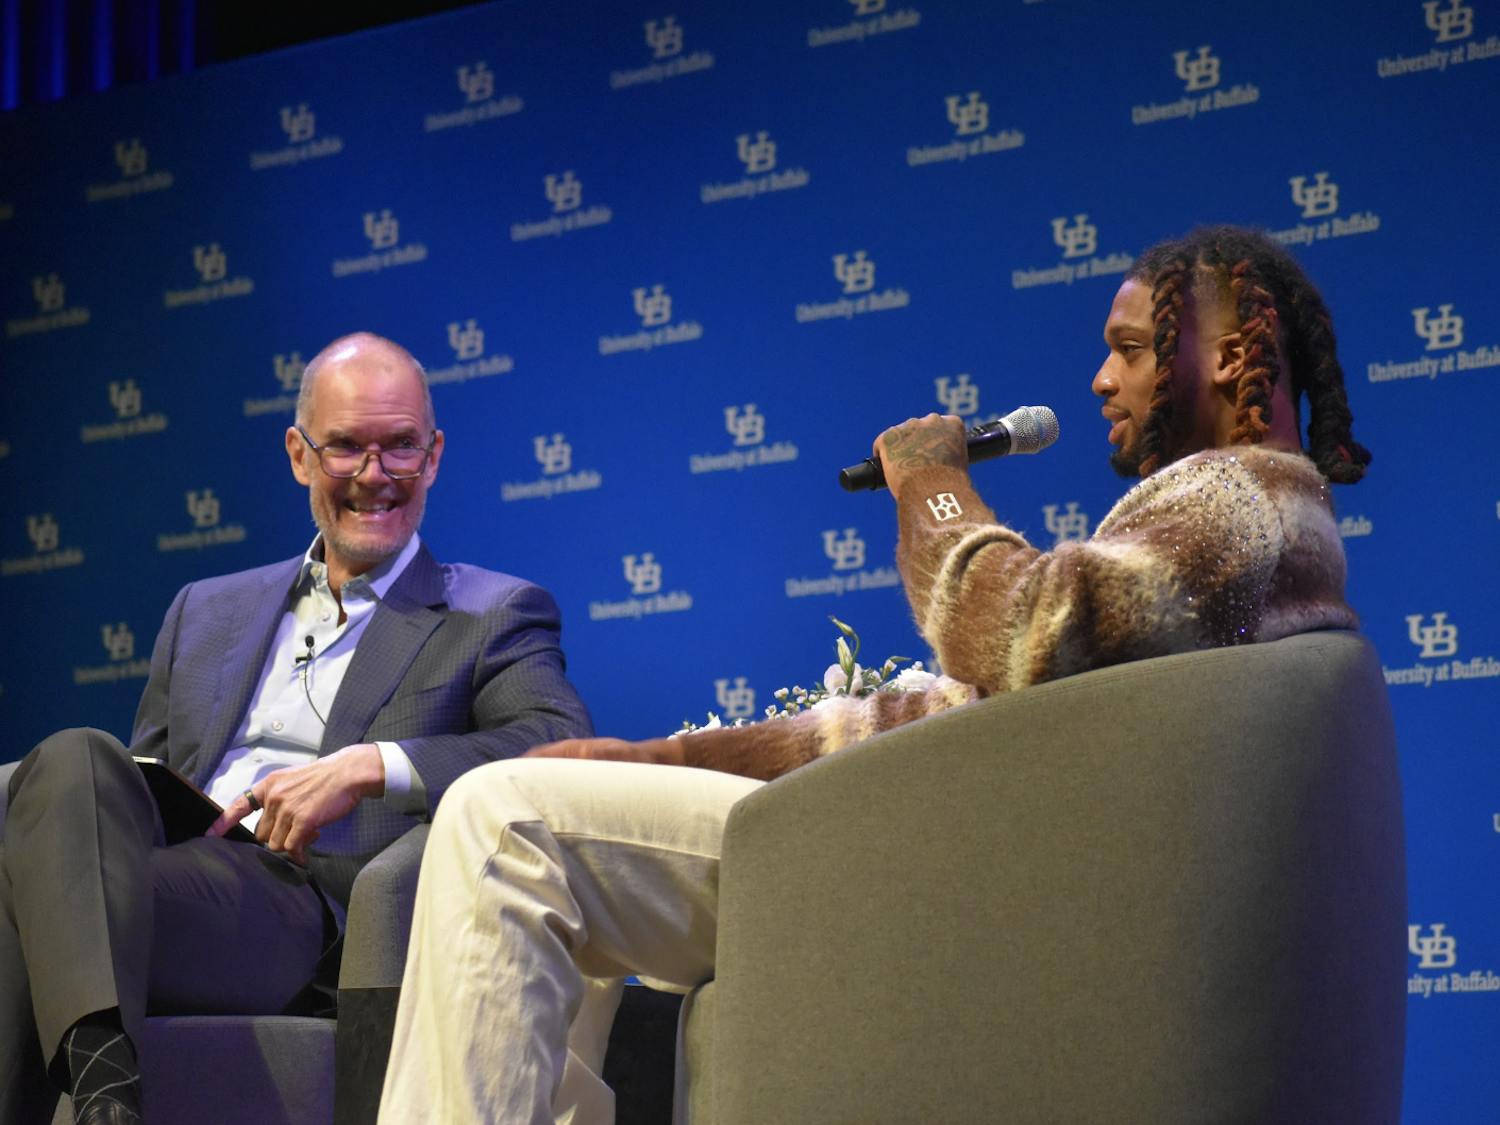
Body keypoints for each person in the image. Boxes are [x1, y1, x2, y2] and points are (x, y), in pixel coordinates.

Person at [377, 226, 1372, 1124]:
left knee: (504, 823)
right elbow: (924, 720)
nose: (1101, 381)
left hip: (967, 885)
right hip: (953, 853)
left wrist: (931, 482)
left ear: (1242, 349)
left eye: (1133, 347)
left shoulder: (1243, 506)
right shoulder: (1215, 526)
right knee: (567, 837)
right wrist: (660, 757)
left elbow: (1016, 630)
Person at [0, 332, 593, 1125]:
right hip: (171, 871)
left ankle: (102, 1091)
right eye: (346, 447)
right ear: (299, 454)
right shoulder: (203, 609)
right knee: (73, 757)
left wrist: (369, 764)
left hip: (295, 903)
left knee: (28, 891)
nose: (374, 475)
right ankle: (110, 1096)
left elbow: (558, 741)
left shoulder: (492, 613)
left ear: (435, 454)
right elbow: (134, 780)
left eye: (400, 448)